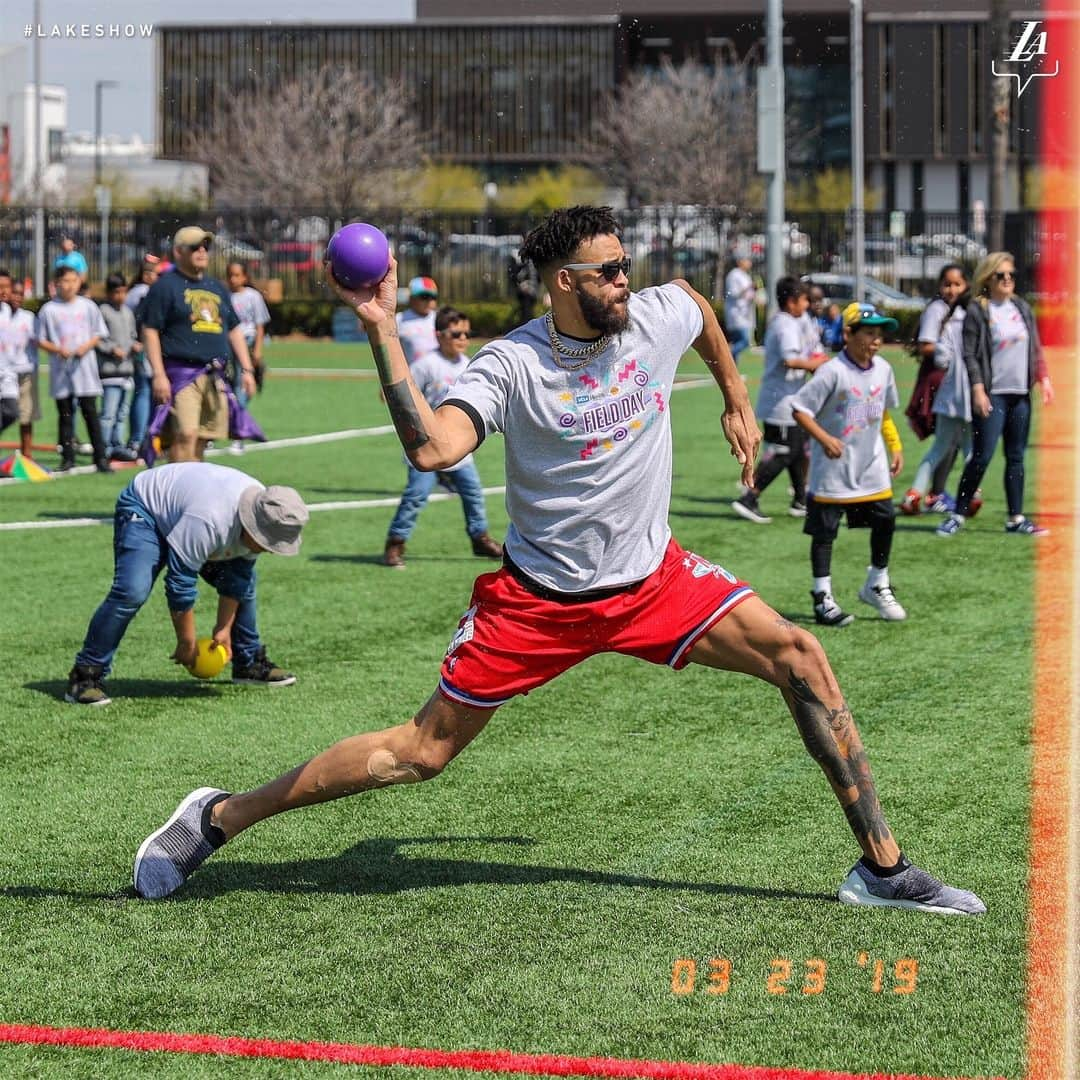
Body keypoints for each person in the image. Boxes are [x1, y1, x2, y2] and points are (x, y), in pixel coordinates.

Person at [132, 206, 983, 918]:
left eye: (625, 265)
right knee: (421, 754)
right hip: (537, 604)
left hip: (655, 583)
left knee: (802, 656)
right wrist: (381, 328)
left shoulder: (655, 312)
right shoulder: (512, 365)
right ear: (565, 282)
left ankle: (882, 868)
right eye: (609, 270)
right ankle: (218, 816)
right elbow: (433, 447)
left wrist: (733, 396)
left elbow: (696, 307)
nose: (626, 280)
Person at [66, 462, 308, 706]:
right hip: (146, 509)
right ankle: (86, 675)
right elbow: (180, 583)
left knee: (246, 586)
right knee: (131, 591)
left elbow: (238, 579)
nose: (272, 551)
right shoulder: (211, 519)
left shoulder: (264, 511)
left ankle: (248, 663)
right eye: (269, 543)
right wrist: (186, 641)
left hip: (188, 513)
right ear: (252, 527)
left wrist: (223, 629)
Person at [791, 302, 907, 626]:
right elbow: (800, 409)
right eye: (868, 333)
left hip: (872, 466)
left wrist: (894, 445)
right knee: (825, 532)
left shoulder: (883, 370)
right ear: (848, 334)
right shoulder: (832, 371)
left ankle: (877, 582)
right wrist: (825, 439)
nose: (875, 340)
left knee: (886, 520)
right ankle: (821, 596)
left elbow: (881, 411)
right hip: (834, 470)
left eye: (879, 334)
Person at [937, 252, 1053, 538]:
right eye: (1001, 275)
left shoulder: (1021, 308)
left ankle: (1015, 517)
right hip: (994, 394)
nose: (1008, 280)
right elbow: (970, 354)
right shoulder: (978, 310)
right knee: (982, 456)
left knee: (1016, 457)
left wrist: (1044, 379)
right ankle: (957, 514)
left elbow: (1034, 348)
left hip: (1020, 395)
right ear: (988, 279)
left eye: (1011, 275)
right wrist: (978, 389)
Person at [383, 307, 503, 568]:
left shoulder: (469, 365)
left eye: (467, 334)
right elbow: (397, 393)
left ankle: (479, 538)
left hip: (458, 449)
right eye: (456, 333)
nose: (463, 339)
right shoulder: (426, 365)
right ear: (439, 336)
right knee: (416, 496)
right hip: (426, 448)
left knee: (473, 494)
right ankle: (395, 543)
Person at [140, 226, 262, 463]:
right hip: (181, 374)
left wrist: (247, 369)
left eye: (205, 247)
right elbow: (150, 330)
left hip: (214, 375)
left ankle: (191, 491)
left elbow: (234, 329)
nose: (201, 251)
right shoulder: (165, 286)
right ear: (178, 252)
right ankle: (176, 491)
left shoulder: (216, 287)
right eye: (194, 247)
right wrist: (158, 374)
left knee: (203, 438)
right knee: (185, 434)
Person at [731, 277, 828, 524]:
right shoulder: (785, 325)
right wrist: (819, 364)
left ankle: (800, 500)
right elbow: (790, 360)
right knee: (784, 452)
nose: (808, 305)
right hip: (780, 402)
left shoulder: (790, 321)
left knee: (798, 450)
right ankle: (749, 497)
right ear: (792, 301)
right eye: (805, 299)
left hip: (790, 399)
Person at [900, 266, 979, 517]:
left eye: (957, 284)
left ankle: (917, 493)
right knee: (965, 446)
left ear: (966, 285)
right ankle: (965, 494)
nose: (952, 289)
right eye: (947, 284)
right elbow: (931, 348)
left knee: (949, 446)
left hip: (952, 390)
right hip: (955, 387)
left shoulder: (965, 312)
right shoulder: (941, 311)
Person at [36, 265, 111, 473]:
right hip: (62, 370)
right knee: (66, 415)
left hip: (84, 369)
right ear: (56, 283)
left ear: (79, 282)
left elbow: (98, 333)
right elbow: (40, 339)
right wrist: (58, 349)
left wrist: (84, 347)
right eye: (65, 281)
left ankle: (100, 457)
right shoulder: (49, 310)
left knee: (90, 413)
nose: (69, 285)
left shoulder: (87, 306)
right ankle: (67, 457)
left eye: (73, 280)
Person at [224, 261, 271, 454]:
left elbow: (260, 326)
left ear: (245, 277)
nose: (234, 279)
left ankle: (238, 434)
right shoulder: (224, 296)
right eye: (230, 275)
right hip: (229, 345)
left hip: (248, 342)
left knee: (241, 386)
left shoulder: (253, 296)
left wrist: (258, 350)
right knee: (232, 387)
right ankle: (234, 427)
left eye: (237, 275)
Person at [97, 273, 140, 461]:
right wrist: (111, 349)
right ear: (108, 293)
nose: (120, 296)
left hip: (126, 371)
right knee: (108, 414)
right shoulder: (103, 311)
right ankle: (104, 446)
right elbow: (97, 339)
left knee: (122, 413)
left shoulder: (128, 312)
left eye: (123, 292)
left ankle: (117, 444)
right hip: (109, 372)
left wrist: (135, 345)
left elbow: (132, 335)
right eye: (116, 292)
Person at [125, 256, 161, 457]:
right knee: (145, 392)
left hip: (143, 348)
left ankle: (140, 439)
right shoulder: (142, 293)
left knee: (144, 392)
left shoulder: (135, 293)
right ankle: (141, 440)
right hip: (146, 350)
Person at [7, 279, 41, 458]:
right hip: (4, 373)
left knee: (26, 415)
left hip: (25, 372)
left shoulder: (29, 317)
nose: (16, 297)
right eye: (14, 292)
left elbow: (39, 341)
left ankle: (27, 455)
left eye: (20, 294)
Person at [396, 276, 440, 365]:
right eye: (424, 296)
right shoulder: (399, 319)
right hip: (411, 374)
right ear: (411, 298)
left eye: (433, 297)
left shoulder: (439, 319)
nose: (429, 301)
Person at [723, 255, 756, 364]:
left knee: (737, 341)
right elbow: (734, 293)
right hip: (736, 314)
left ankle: (733, 372)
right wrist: (748, 288)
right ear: (740, 261)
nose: (749, 263)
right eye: (747, 260)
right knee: (745, 341)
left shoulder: (745, 275)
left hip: (745, 314)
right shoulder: (734, 275)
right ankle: (726, 354)